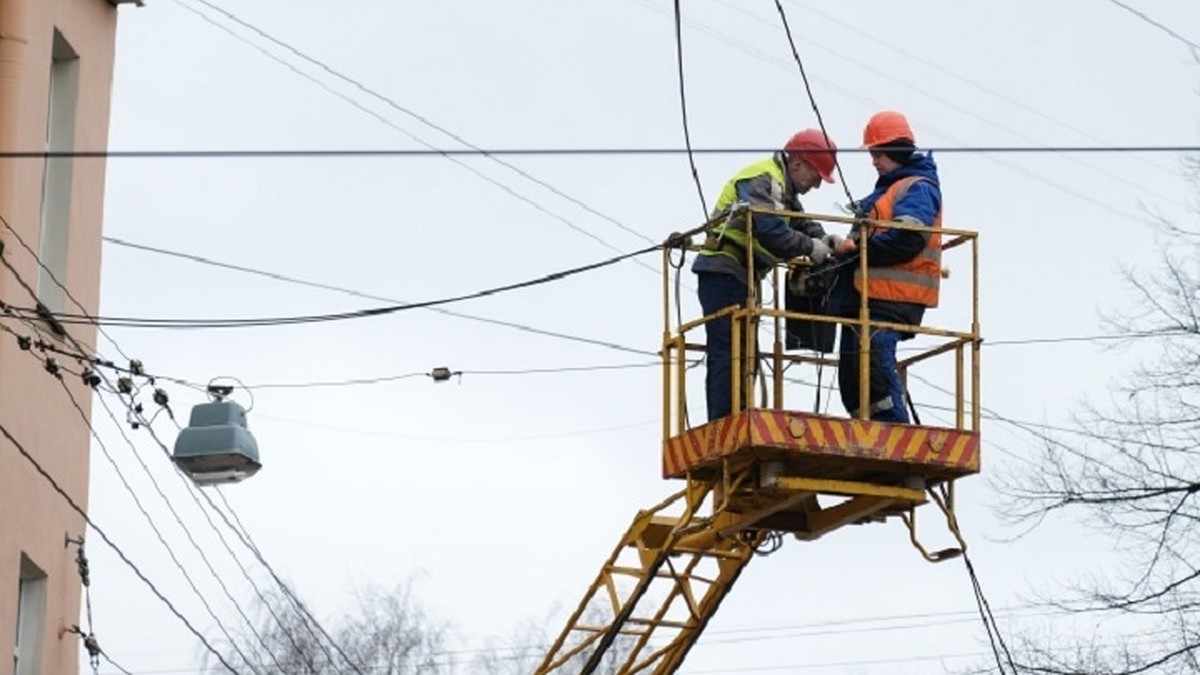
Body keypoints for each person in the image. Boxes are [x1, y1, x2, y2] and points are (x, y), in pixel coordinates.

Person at [692, 128, 838, 422]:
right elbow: (772, 232)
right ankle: (725, 422)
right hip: (724, 271)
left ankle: (737, 415)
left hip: (740, 276)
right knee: (730, 350)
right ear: (797, 163)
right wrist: (813, 248)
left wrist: (825, 239)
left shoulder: (782, 187)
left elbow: (799, 221)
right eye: (816, 176)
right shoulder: (764, 179)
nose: (816, 186)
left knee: (743, 352)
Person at [832, 110, 942, 423]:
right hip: (867, 299)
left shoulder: (917, 189)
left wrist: (860, 249)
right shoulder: (885, 192)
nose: (873, 160)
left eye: (877, 153)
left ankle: (897, 433)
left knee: (876, 364)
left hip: (895, 298)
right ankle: (866, 433)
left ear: (894, 150)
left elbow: (907, 239)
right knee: (852, 380)